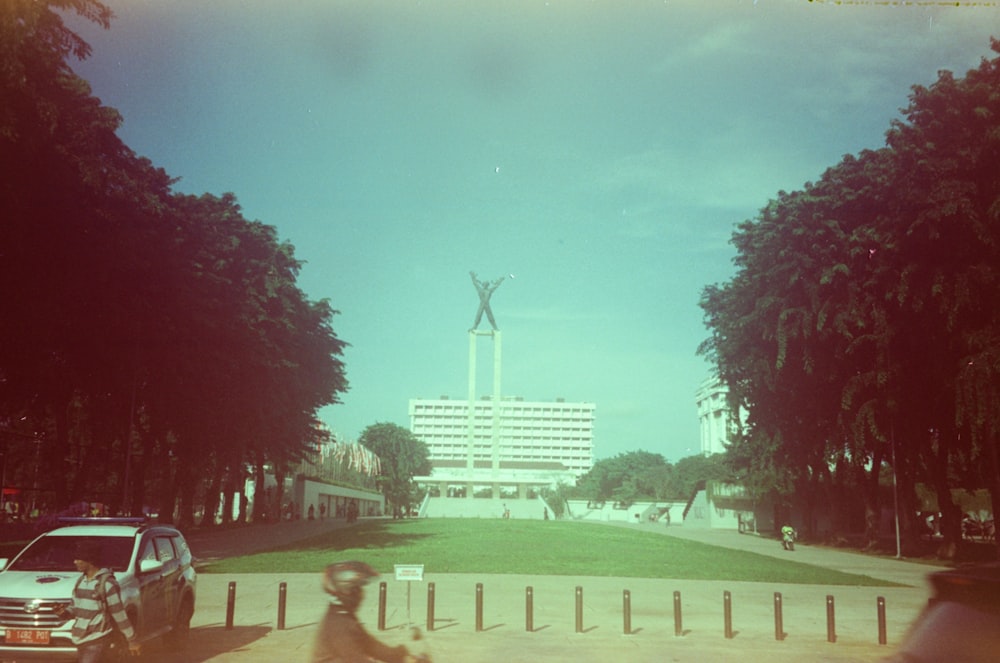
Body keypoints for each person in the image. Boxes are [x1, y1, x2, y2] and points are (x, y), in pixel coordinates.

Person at [311, 560, 425, 663]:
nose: (361, 594)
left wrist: (399, 656)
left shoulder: (343, 617)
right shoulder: (338, 624)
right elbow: (354, 658)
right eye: (356, 589)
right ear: (346, 591)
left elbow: (370, 645)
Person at [59, 540, 140, 663]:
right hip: (80, 638)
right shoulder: (81, 582)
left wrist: (132, 640)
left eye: (79, 559)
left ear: (90, 561)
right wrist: (63, 612)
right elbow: (76, 609)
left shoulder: (107, 584)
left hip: (98, 639)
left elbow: (119, 615)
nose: (75, 562)